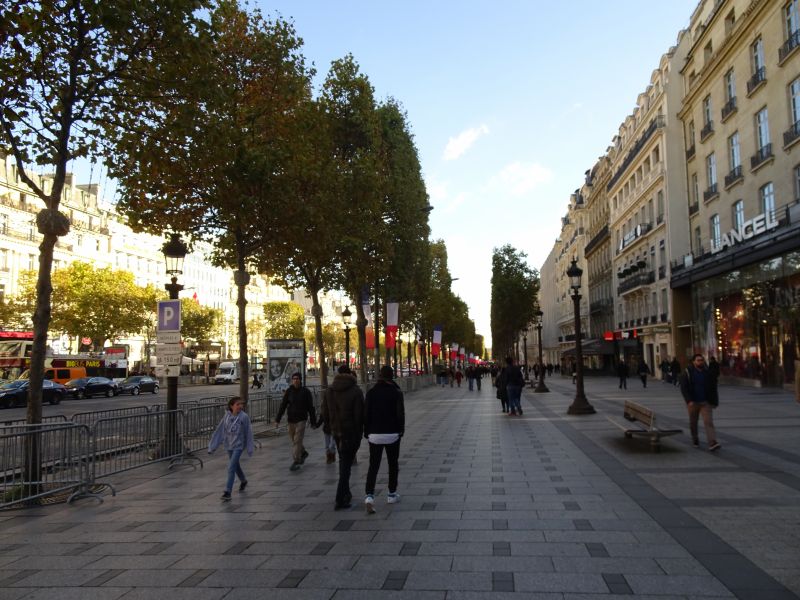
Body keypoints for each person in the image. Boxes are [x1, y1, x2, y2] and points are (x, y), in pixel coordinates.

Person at [321, 365, 365, 510]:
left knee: (343, 462)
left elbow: (325, 412)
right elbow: (359, 415)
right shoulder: (355, 391)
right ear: (350, 374)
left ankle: (346, 493)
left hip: (336, 432)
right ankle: (340, 498)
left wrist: (329, 427)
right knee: (346, 465)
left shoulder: (330, 391)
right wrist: (360, 433)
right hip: (351, 433)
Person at [363, 365, 405, 514]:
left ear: (380, 376)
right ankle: (391, 494)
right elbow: (400, 413)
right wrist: (401, 430)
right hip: (392, 433)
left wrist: (366, 431)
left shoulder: (371, 392)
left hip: (374, 434)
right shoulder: (396, 392)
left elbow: (366, 413)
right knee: (393, 464)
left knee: (373, 466)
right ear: (392, 376)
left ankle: (369, 496)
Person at [208, 396, 255, 501]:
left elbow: (248, 432)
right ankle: (243, 480)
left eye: (241, 404)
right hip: (228, 445)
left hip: (239, 446)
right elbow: (219, 431)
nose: (240, 406)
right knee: (235, 465)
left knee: (231, 467)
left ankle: (227, 492)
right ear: (231, 406)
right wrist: (212, 446)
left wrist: (249, 447)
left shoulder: (244, 417)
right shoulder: (226, 416)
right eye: (238, 404)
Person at [275, 372, 317, 471]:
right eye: (293, 379)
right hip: (291, 420)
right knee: (294, 440)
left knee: (297, 440)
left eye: (297, 378)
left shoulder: (306, 392)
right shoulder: (289, 391)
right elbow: (283, 405)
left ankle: (296, 460)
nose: (295, 380)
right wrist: (278, 419)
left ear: (300, 380)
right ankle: (303, 452)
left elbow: (311, 407)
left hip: (301, 419)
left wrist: (313, 422)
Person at [679, 353, 721, 451]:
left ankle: (712, 442)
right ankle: (695, 438)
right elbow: (684, 388)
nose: (700, 362)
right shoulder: (688, 372)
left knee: (708, 422)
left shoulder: (707, 373)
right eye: (698, 360)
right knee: (693, 422)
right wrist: (688, 400)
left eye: (702, 360)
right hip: (693, 402)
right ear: (694, 362)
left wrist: (714, 402)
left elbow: (713, 388)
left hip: (705, 402)